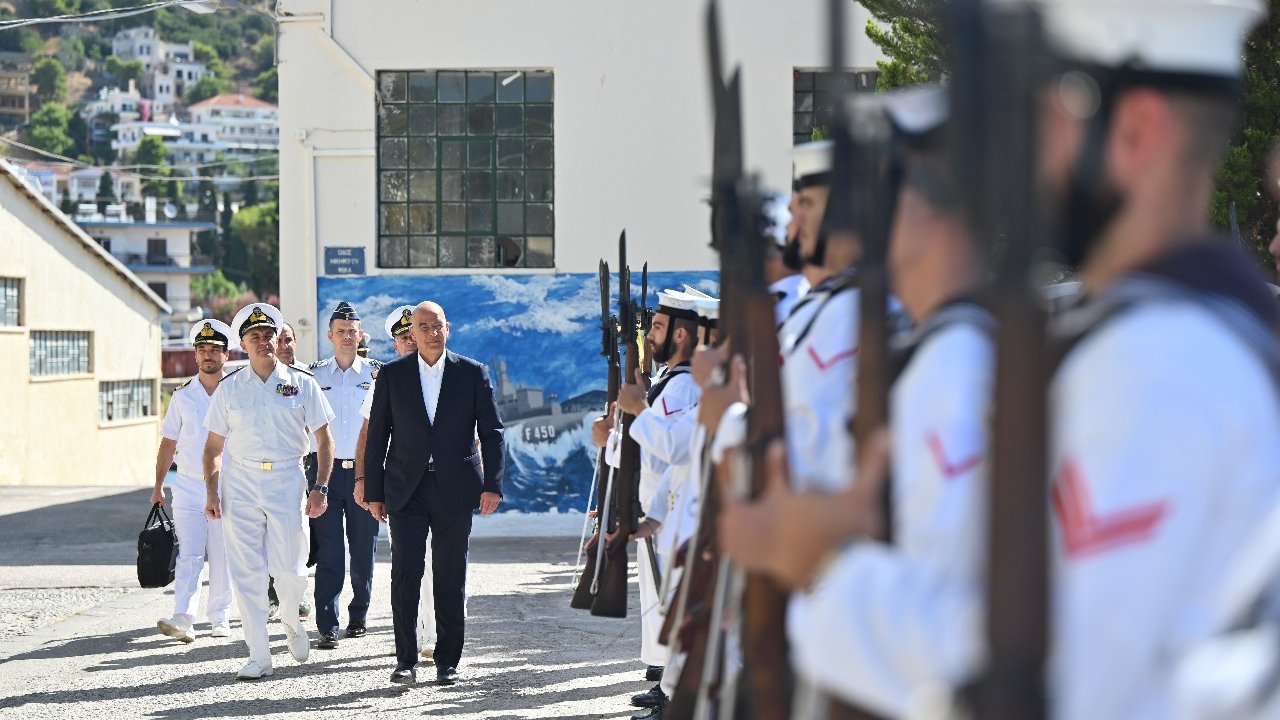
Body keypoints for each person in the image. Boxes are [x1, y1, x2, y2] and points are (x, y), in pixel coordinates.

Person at [720, 87, 998, 716]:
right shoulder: (932, 351)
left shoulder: (957, 365)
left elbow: (962, 618)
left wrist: (822, 561)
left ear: (927, 204)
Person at [363, 301, 505, 685]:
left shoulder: (472, 373)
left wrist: (493, 485)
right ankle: (405, 661)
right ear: (412, 332)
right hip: (406, 489)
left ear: (448, 328)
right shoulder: (392, 375)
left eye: (437, 325)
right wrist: (374, 491)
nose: (431, 332)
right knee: (405, 575)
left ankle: (447, 661)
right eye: (423, 327)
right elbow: (377, 436)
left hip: (454, 489)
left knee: (450, 574)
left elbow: (492, 433)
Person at [202, 303, 336, 680]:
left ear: (277, 340)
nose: (263, 341)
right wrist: (212, 491)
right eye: (254, 336)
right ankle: (259, 654)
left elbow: (324, 440)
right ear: (243, 345)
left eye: (268, 335)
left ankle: (291, 616)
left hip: (287, 478)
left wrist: (321, 487)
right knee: (247, 572)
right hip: (240, 481)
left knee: (290, 569)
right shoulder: (229, 388)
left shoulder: (302, 383)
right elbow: (212, 447)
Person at [591, 288, 705, 713]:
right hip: (659, 507)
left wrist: (616, 438)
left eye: (657, 327)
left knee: (673, 606)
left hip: (673, 510)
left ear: (680, 335)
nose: (649, 336)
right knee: (661, 604)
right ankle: (667, 686)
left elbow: (661, 451)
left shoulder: (682, 386)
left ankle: (674, 694)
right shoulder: (670, 382)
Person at [353, 305, 439, 661]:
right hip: (402, 487)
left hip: (442, 484)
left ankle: (435, 634)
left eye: (413, 334)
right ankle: (411, 635)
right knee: (407, 563)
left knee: (439, 563)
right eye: (404, 337)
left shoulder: (446, 372)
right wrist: (364, 480)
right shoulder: (386, 379)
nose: (411, 342)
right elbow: (369, 435)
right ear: (395, 344)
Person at [151, 319, 235, 643]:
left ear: (226, 355)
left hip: (226, 485)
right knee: (189, 553)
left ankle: (220, 617)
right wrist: (158, 485)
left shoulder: (236, 392)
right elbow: (168, 443)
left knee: (222, 553)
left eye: (214, 349)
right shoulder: (183, 396)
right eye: (202, 349)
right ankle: (183, 618)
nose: (208, 354)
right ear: (195, 355)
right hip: (187, 484)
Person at [308, 302, 381, 649]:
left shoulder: (378, 374)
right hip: (326, 472)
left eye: (352, 331)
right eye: (341, 331)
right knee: (330, 550)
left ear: (360, 334)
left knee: (364, 548)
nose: (347, 337)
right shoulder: (314, 376)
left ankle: (359, 616)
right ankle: (327, 624)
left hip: (365, 471)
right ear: (330, 336)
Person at [267, 321, 313, 622]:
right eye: (279, 339)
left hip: (303, 464)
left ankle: (297, 594)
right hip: (269, 467)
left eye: (289, 339)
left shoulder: (308, 376)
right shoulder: (261, 375)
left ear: (296, 342)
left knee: (298, 534)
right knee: (270, 536)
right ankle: (274, 596)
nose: (284, 345)